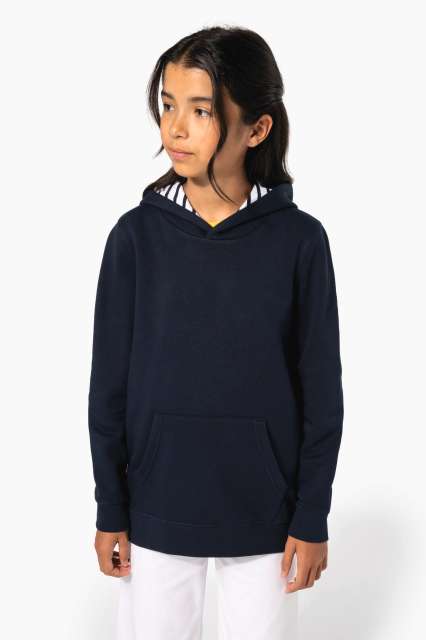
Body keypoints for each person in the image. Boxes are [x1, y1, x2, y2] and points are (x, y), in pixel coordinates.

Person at [87, 25, 344, 640]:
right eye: (168, 105)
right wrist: (110, 506)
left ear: (257, 128)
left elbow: (321, 392)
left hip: (265, 520)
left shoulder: (300, 242)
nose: (175, 128)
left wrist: (312, 515)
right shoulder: (135, 239)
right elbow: (108, 388)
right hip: (155, 513)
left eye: (201, 111)